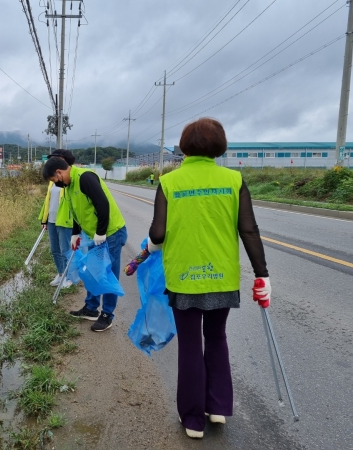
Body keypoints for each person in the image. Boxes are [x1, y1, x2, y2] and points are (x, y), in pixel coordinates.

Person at [147, 118, 270, 439]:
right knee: (217, 337)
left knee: (190, 345)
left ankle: (192, 420)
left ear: (185, 145)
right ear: (220, 145)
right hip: (222, 278)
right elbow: (248, 229)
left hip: (184, 279)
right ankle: (217, 407)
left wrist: (149, 245)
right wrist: (262, 275)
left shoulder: (170, 182)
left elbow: (158, 234)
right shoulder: (233, 179)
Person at [42, 156, 128, 332]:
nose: (56, 184)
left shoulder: (85, 178)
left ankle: (107, 315)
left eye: (54, 180)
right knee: (91, 271)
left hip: (110, 233)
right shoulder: (69, 185)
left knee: (106, 274)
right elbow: (77, 211)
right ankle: (91, 308)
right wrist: (75, 233)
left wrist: (101, 231)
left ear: (59, 172)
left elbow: (103, 204)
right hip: (94, 234)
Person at [38, 150, 74, 288]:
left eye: (55, 159)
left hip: (64, 220)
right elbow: (48, 200)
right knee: (55, 250)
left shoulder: (68, 178)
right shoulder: (52, 181)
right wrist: (44, 219)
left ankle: (69, 277)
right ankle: (60, 274)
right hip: (52, 220)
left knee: (66, 250)